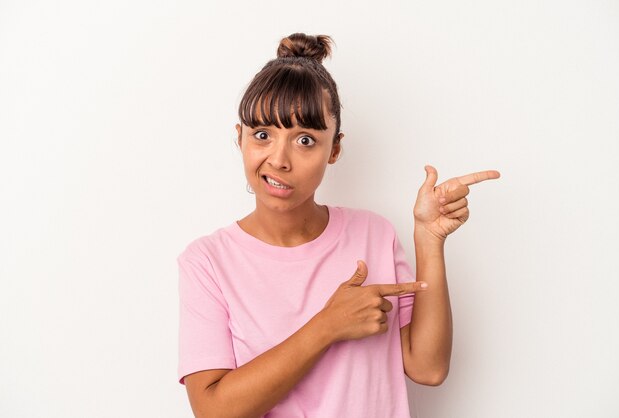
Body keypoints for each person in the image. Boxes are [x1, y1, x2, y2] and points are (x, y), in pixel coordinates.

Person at [177, 33, 500, 418]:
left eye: (305, 140)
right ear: (240, 137)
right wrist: (328, 326)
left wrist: (428, 239)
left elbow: (427, 368)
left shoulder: (373, 234)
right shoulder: (207, 261)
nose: (279, 159)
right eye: (262, 135)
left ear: (334, 149)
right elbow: (213, 411)